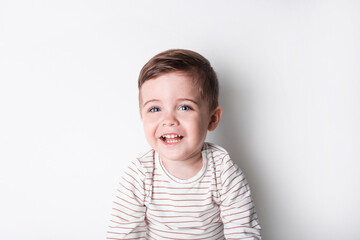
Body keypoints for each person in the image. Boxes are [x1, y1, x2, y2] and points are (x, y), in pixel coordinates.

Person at [107, 49, 261, 239]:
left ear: (212, 119)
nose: (169, 120)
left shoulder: (222, 171)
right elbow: (123, 235)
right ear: (142, 117)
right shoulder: (139, 174)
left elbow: (242, 232)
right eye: (155, 109)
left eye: (184, 107)